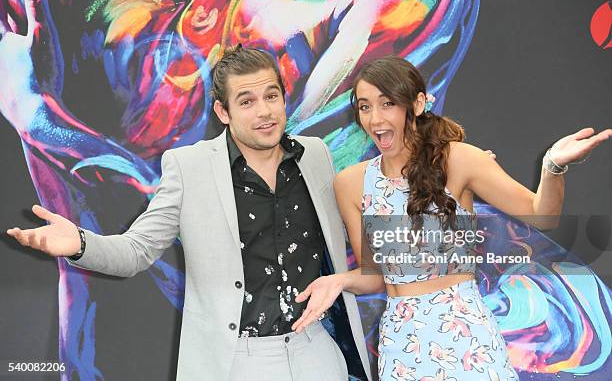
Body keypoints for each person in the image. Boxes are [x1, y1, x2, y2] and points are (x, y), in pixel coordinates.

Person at [6, 46, 372, 381]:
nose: (264, 111)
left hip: (316, 353)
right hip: (236, 360)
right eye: (246, 101)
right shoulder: (189, 166)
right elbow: (136, 251)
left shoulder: (316, 155)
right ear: (222, 112)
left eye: (271, 96)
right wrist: (80, 244)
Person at [289, 56, 612, 380]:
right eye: (365, 106)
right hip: (402, 348)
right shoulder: (351, 184)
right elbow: (375, 276)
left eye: (387, 103)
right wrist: (339, 280)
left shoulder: (458, 160)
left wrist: (552, 166)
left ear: (416, 104)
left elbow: (542, 216)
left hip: (467, 341)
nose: (375, 118)